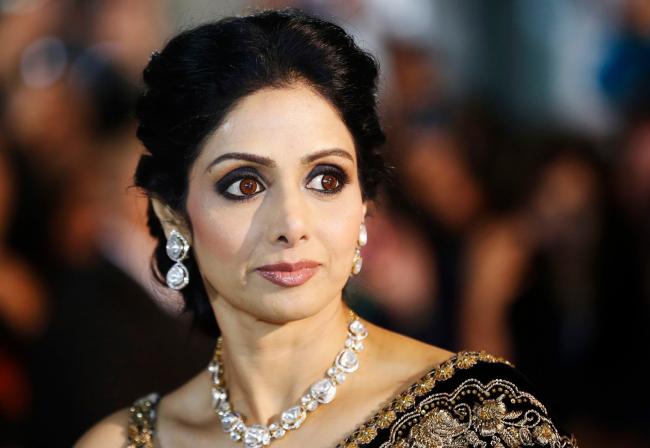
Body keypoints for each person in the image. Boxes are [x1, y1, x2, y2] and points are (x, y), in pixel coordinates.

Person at [75, 9, 578, 448]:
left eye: (326, 179)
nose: (293, 225)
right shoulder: (124, 442)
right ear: (173, 215)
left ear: (364, 203)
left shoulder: (473, 419)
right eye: (245, 184)